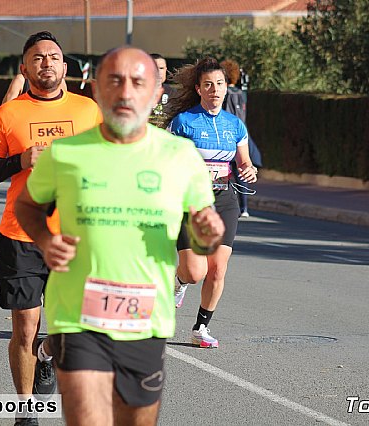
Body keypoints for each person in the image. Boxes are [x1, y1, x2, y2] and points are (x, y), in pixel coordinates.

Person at [14, 45, 224, 426]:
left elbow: (202, 240)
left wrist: (208, 236)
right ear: (96, 90)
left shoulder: (181, 157)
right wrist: (45, 241)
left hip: (145, 317)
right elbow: (26, 206)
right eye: (115, 81)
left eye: (138, 83)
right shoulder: (66, 153)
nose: (126, 92)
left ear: (156, 94)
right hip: (78, 316)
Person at [0, 31, 101, 426]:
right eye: (38, 58)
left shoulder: (88, 111)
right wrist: (21, 159)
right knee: (24, 329)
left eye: (53, 56)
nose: (46, 62)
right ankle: (24, 412)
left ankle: (48, 354)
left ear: (65, 67)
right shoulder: (7, 114)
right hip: (21, 236)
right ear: (25, 68)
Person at [166, 57, 258, 348]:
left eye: (219, 84)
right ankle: (179, 282)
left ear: (226, 87)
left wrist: (249, 170)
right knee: (195, 272)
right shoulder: (183, 122)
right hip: (190, 201)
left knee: (218, 268)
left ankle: (200, 329)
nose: (215, 89)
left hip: (224, 199)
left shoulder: (235, 125)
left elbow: (244, 162)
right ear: (199, 89)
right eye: (208, 84)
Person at [220, 58, 262, 217]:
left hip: (227, 136)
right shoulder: (241, 93)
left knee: (224, 171)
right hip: (242, 136)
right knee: (242, 172)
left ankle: (225, 205)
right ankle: (244, 207)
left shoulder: (226, 93)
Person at [2, 72, 68, 105]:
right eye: (38, 59)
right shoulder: (21, 80)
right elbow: (5, 109)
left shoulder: (59, 81)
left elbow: (65, 107)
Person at [148, 53, 173, 126]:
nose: (158, 72)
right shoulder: (137, 93)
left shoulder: (174, 94)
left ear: (166, 70)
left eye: (161, 68)